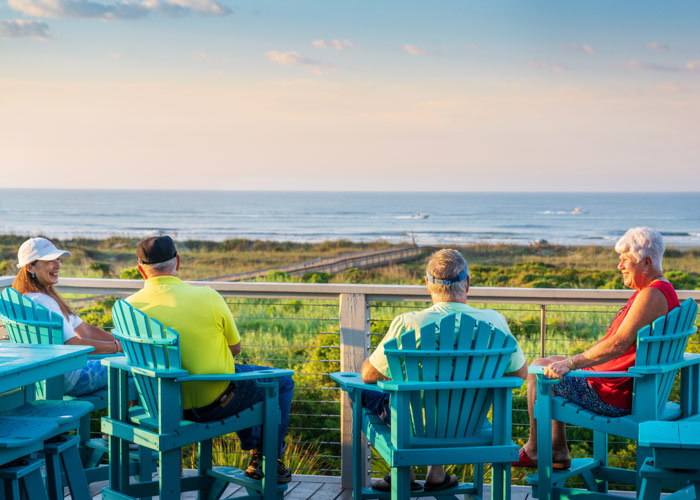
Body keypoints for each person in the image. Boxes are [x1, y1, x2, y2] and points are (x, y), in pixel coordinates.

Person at [125, 235, 294, 483]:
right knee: (280, 381)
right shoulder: (208, 296)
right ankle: (265, 458)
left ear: (141, 270)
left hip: (158, 406)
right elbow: (234, 348)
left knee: (244, 377)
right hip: (214, 403)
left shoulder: (128, 307)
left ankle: (258, 454)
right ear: (178, 262)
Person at [361, 248, 528, 492]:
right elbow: (520, 373)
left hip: (415, 425)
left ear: (427, 285)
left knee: (364, 395)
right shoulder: (495, 322)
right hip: (471, 421)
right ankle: (436, 474)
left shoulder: (408, 323)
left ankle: (403, 473)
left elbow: (368, 375)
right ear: (468, 283)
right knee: (446, 402)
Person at [513, 227, 679, 470]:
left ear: (646, 263)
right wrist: (569, 361)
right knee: (549, 361)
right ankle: (557, 450)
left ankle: (535, 449)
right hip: (618, 383)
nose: (619, 266)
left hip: (611, 393)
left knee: (539, 371)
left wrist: (570, 363)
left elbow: (618, 344)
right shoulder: (660, 290)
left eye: (625, 260)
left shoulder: (651, 294)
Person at [12, 237, 122, 396]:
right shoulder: (43, 302)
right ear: (30, 268)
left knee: (131, 360)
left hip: (45, 377)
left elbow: (84, 329)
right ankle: (138, 417)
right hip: (70, 377)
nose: (58, 264)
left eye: (57, 259)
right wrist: (117, 348)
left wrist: (118, 342)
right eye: (49, 260)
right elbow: (73, 344)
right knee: (136, 364)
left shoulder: (31, 297)